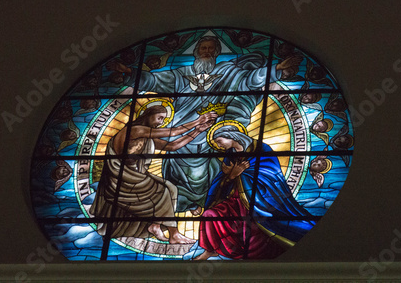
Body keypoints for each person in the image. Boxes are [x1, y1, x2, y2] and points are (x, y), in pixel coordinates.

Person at [116, 36, 291, 213]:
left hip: (208, 134)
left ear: (216, 53)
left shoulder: (230, 72)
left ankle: (200, 202)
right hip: (180, 133)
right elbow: (155, 81)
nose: (206, 52)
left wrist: (276, 69)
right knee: (175, 171)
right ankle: (185, 203)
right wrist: (129, 72)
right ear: (196, 52)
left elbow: (251, 79)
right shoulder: (181, 74)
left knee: (201, 173)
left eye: (210, 49)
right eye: (203, 48)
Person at [89, 105, 217, 244]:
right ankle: (173, 234)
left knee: (172, 188)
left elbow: (172, 146)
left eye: (163, 119)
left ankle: (155, 225)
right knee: (162, 192)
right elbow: (173, 132)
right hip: (123, 179)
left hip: (137, 177)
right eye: (159, 118)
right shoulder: (135, 130)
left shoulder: (146, 135)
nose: (161, 122)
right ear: (148, 115)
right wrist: (198, 121)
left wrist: (197, 131)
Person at [194, 125, 316, 260]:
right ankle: (210, 250)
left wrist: (242, 173)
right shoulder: (230, 155)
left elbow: (271, 175)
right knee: (209, 214)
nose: (219, 145)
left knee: (252, 226)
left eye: (219, 141)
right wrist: (232, 176)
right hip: (233, 201)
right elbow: (222, 182)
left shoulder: (261, 149)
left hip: (260, 200)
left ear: (230, 135)